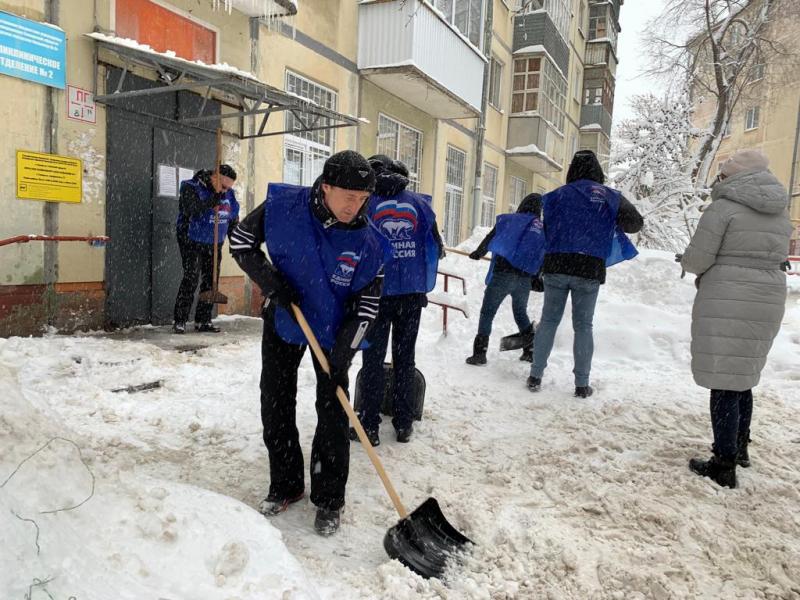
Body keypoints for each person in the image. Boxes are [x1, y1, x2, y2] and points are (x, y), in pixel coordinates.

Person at [228, 150, 387, 536]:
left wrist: (345, 352)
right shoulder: (284, 207)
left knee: (334, 410)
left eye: (363, 198)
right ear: (325, 187)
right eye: (348, 196)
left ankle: (330, 499)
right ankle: (286, 485)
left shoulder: (370, 242)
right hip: (287, 316)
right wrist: (271, 283)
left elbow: (368, 304)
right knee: (276, 400)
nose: (356, 206)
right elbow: (240, 241)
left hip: (335, 327)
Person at [680, 149, 792, 489]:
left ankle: (723, 462)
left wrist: (687, 262)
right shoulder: (779, 211)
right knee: (742, 375)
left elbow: (697, 259)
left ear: (733, 177)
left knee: (724, 380)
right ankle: (740, 448)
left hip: (729, 295)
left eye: (723, 174)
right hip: (768, 296)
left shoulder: (723, 208)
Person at [527, 150, 643, 397]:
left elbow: (546, 230)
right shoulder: (610, 197)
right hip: (589, 268)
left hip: (557, 264)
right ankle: (581, 384)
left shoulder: (555, 196)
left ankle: (535, 376)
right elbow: (635, 224)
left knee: (548, 321)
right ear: (597, 171)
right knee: (583, 326)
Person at [349, 155, 444, 446]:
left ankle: (369, 425)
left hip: (376, 294)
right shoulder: (420, 204)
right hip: (412, 295)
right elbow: (436, 248)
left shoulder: (366, 203)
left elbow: (354, 247)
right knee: (405, 358)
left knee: (373, 359)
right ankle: (403, 423)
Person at [466, 194, 545, 365]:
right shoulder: (540, 228)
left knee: (488, 312)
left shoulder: (509, 220)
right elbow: (542, 254)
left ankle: (480, 353)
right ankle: (529, 350)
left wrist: (478, 253)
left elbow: (491, 237)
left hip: (503, 275)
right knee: (520, 312)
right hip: (524, 279)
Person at [173, 164, 239, 334]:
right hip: (191, 239)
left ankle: (203, 320)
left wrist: (237, 243)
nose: (225, 191)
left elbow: (232, 219)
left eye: (228, 188)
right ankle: (180, 320)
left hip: (215, 242)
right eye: (223, 186)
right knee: (191, 277)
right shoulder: (191, 186)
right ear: (214, 176)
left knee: (211, 280)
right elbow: (190, 209)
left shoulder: (228, 194)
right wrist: (211, 201)